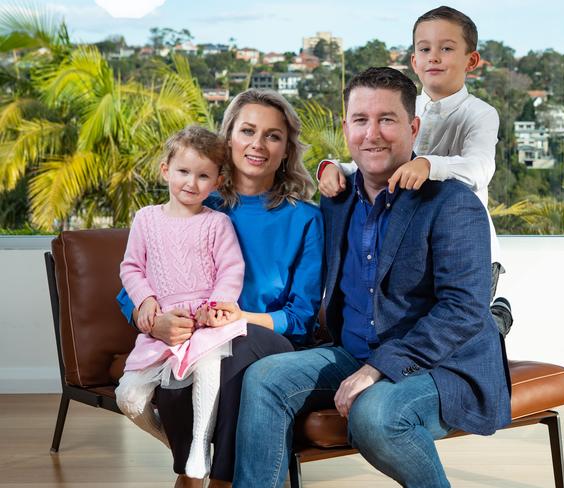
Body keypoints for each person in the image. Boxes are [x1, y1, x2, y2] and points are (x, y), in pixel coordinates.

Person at [233, 67, 511, 488]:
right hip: (354, 350)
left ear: (413, 127)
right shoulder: (337, 198)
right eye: (360, 120)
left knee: (375, 414)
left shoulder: (454, 203)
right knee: (266, 378)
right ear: (345, 128)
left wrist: (379, 368)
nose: (372, 134)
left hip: (442, 366)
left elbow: (462, 311)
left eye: (387, 120)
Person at [116, 90, 324, 488]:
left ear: (286, 150)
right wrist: (153, 320)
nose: (258, 144)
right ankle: (192, 469)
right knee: (185, 374)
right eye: (248, 130)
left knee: (230, 351)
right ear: (228, 138)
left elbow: (300, 317)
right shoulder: (195, 199)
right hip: (193, 336)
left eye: (273, 136)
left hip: (271, 340)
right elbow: (137, 278)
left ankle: (220, 481)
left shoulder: (304, 220)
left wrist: (240, 317)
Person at [317, 5, 512, 335]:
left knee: (464, 328)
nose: (433, 57)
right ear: (414, 61)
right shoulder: (405, 106)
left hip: (465, 245)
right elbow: (374, 155)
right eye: (425, 49)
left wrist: (428, 163)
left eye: (446, 48)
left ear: (471, 61)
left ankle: (495, 320)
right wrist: (332, 167)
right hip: (413, 236)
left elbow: (480, 168)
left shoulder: (480, 114)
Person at [115, 126, 248, 479]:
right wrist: (144, 300)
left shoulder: (217, 223)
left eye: (203, 176)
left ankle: (200, 446)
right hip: (161, 325)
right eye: (183, 172)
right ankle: (183, 445)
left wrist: (218, 306)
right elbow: (131, 267)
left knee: (207, 366)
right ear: (165, 170)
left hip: (203, 324)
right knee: (128, 396)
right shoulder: (146, 219)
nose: (191, 183)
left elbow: (231, 269)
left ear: (217, 182)